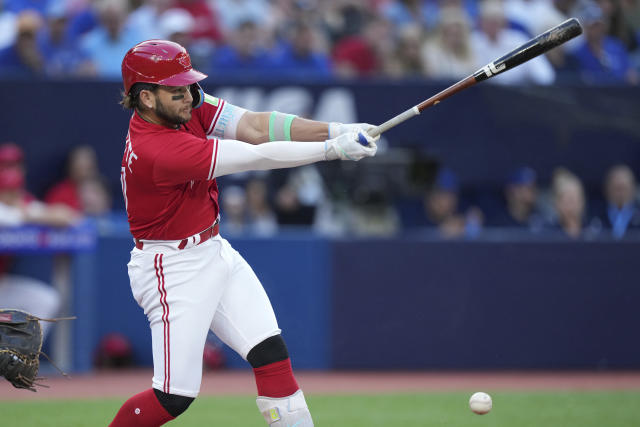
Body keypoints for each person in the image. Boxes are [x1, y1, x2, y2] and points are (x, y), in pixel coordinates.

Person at [110, 39, 377, 427]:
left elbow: (255, 125)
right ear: (146, 98)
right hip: (171, 267)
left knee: (270, 352)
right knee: (173, 396)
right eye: (176, 89)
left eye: (188, 84)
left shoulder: (186, 106)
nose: (189, 96)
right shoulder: (157, 149)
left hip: (213, 249)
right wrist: (333, 149)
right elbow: (258, 155)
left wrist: (336, 128)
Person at [0, 144, 80, 338]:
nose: (10, 194)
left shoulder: (24, 205)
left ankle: (15, 358)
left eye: (13, 190)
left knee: (46, 299)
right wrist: (21, 214)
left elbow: (69, 217)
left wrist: (26, 213)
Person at [600, 164, 640, 238]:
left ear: (633, 189)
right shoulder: (596, 216)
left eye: (624, 188)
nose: (621, 193)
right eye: (617, 188)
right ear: (607, 189)